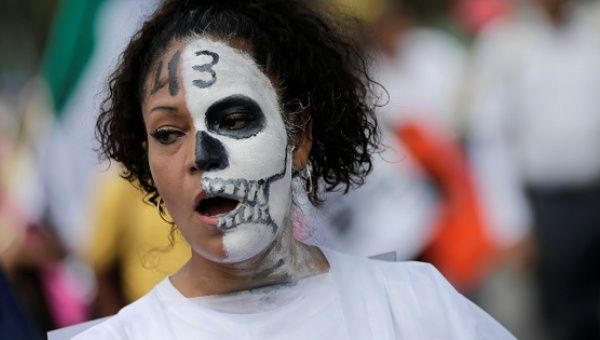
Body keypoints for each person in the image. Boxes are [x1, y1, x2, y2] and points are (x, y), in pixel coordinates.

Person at [74, 0, 514, 338]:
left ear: (298, 138)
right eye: (168, 132)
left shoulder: (415, 307)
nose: (200, 156)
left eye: (233, 119)